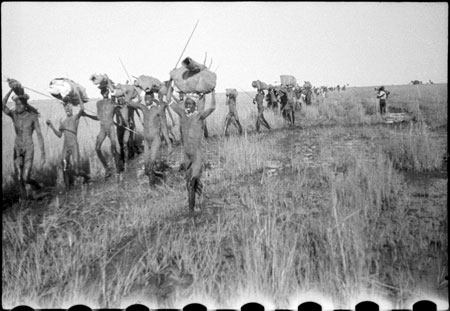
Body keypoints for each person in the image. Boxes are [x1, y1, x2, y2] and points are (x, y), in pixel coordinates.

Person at [167, 81, 216, 212]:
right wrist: (169, 86)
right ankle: (192, 209)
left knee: (192, 181)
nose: (188, 106)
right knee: (189, 182)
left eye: (190, 104)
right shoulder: (182, 114)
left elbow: (212, 107)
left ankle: (193, 208)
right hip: (186, 155)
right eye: (186, 103)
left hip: (196, 155)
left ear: (195, 105)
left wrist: (213, 93)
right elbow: (168, 101)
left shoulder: (199, 116)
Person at [2, 88, 46, 200]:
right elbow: (2, 105)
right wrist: (11, 89)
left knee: (25, 177)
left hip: (29, 148)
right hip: (17, 148)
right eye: (16, 104)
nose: (17, 107)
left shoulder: (32, 117)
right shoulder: (14, 115)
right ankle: (24, 200)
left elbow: (39, 135)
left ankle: (37, 186)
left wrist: (43, 154)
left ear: (25, 105)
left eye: (20, 104)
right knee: (18, 176)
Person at [126, 92, 169, 186]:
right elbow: (128, 102)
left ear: (153, 98)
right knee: (146, 169)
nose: (146, 99)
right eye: (145, 98)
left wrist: (168, 143)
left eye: (149, 97)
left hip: (155, 140)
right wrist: (133, 92)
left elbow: (164, 127)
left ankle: (152, 189)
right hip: (146, 141)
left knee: (151, 165)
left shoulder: (157, 109)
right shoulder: (143, 108)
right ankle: (162, 177)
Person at [46, 103, 90, 189]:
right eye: (66, 109)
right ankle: (67, 187)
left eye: (69, 109)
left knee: (77, 171)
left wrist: (79, 97)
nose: (68, 110)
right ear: (65, 110)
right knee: (64, 166)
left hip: (74, 145)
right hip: (66, 146)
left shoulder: (76, 117)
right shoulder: (63, 121)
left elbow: (82, 108)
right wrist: (51, 126)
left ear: (72, 109)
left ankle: (87, 177)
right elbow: (59, 135)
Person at [83, 95, 122, 179]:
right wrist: (86, 114)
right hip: (103, 128)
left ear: (108, 90)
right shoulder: (99, 103)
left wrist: (120, 122)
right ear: (100, 92)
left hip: (111, 127)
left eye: (105, 89)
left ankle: (118, 170)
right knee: (97, 148)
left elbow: (118, 113)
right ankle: (107, 169)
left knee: (114, 149)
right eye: (102, 89)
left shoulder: (112, 102)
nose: (104, 91)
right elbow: (98, 117)